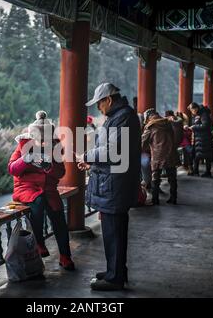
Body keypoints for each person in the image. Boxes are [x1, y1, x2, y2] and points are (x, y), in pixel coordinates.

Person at [78, 83, 141, 291]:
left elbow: (112, 151)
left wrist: (86, 156)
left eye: (99, 103)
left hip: (115, 185)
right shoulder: (120, 117)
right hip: (113, 183)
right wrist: (92, 162)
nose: (98, 108)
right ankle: (115, 271)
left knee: (114, 233)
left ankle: (115, 278)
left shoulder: (122, 118)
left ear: (109, 100)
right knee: (113, 232)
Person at [8, 111, 74, 271]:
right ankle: (39, 242)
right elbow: (12, 169)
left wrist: (49, 167)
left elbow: (61, 172)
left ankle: (65, 256)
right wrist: (25, 160)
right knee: (37, 203)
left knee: (59, 217)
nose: (43, 143)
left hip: (49, 189)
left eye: (46, 140)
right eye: (40, 139)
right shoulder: (23, 145)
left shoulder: (55, 147)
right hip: (27, 188)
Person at [142, 109, 179, 205]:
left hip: (158, 155)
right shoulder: (168, 123)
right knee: (172, 177)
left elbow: (142, 143)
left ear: (148, 117)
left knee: (155, 177)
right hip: (170, 153)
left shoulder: (150, 126)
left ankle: (155, 199)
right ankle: (173, 198)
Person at [188, 103, 213, 177]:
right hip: (200, 138)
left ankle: (206, 172)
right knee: (198, 155)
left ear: (196, 108)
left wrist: (194, 127)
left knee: (204, 156)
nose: (192, 112)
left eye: (192, 110)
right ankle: (197, 171)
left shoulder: (203, 114)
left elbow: (205, 125)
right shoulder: (200, 114)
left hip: (204, 138)